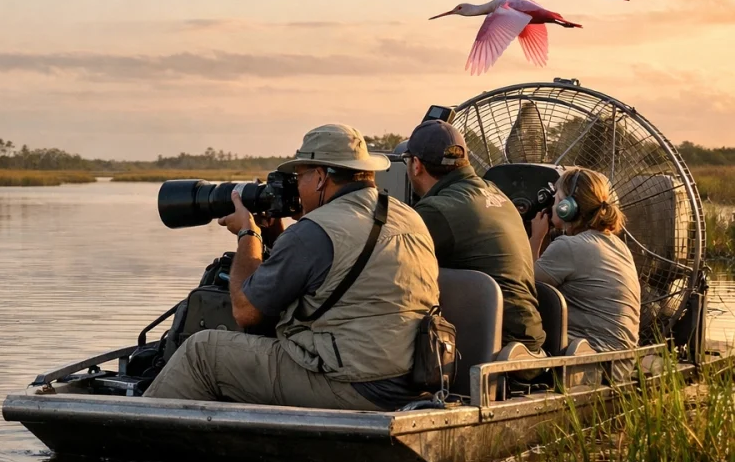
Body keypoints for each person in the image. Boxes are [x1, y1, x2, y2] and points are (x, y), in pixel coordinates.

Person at [143, 124, 440, 411]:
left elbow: (246, 312)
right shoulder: (407, 216)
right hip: (411, 378)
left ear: (321, 177)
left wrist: (248, 235)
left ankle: (135, 433)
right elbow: (329, 275)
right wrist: (276, 232)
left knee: (203, 352)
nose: (296, 187)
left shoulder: (315, 232)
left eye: (299, 177)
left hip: (354, 385)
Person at [404, 120, 547, 355]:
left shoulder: (438, 210)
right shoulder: (495, 192)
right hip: (529, 342)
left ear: (416, 165)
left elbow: (388, 269)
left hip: (492, 348)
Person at [529, 167, 640, 352]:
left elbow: (526, 286)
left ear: (568, 208)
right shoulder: (619, 246)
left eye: (556, 199)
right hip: (620, 360)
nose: (552, 205)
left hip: (590, 358)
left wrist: (536, 238)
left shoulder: (569, 247)